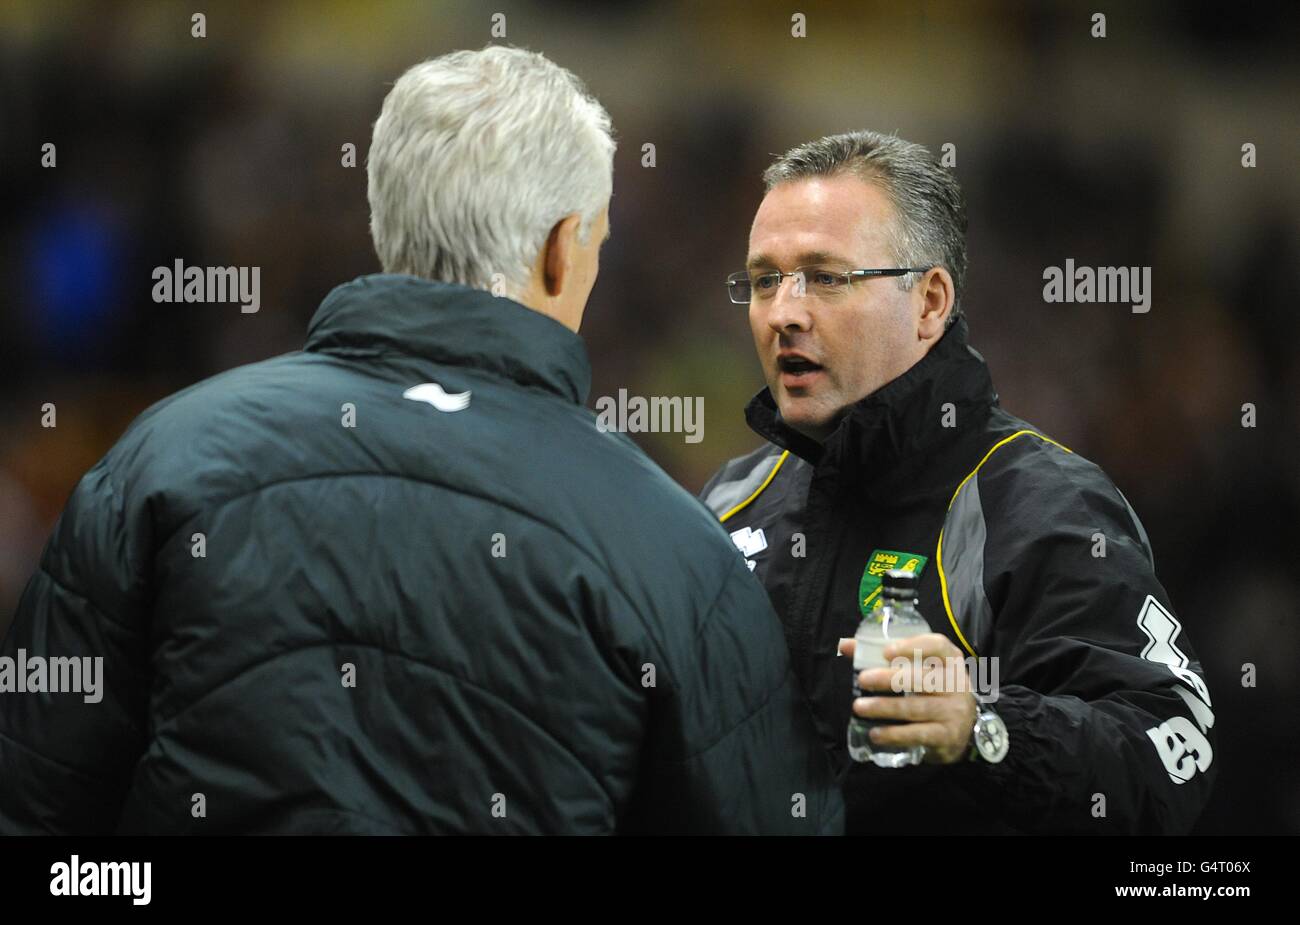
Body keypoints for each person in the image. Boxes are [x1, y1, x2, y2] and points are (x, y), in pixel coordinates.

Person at [0, 47, 841, 835]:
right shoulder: (678, 555)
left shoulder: (159, 459)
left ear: (387, 220)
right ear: (561, 250)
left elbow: (41, 821)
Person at [701, 130, 1216, 834]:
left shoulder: (1043, 507)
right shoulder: (729, 502)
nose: (784, 312)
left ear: (930, 301)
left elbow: (1172, 754)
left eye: (825, 276)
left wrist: (985, 726)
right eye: (765, 279)